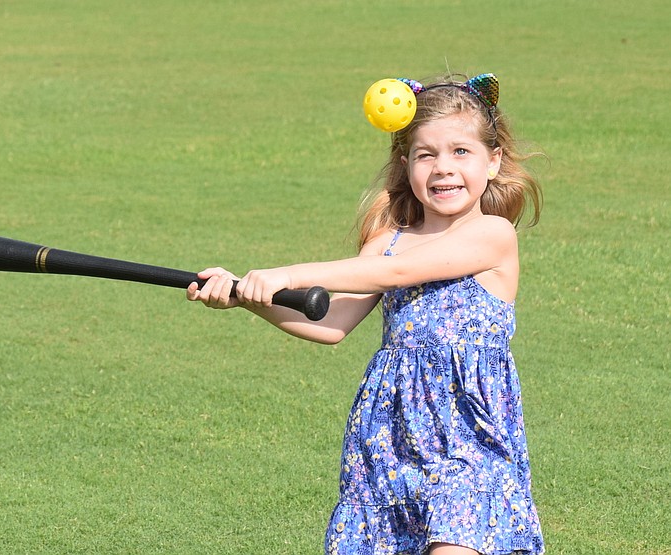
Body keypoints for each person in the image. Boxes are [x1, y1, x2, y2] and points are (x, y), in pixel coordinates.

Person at [187, 73, 545, 555]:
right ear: (405, 164)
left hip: (468, 435)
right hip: (390, 437)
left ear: (493, 159)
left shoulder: (493, 235)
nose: (443, 168)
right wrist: (250, 299)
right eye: (426, 154)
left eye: (461, 152)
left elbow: (395, 274)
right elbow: (331, 324)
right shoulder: (387, 241)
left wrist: (286, 274)